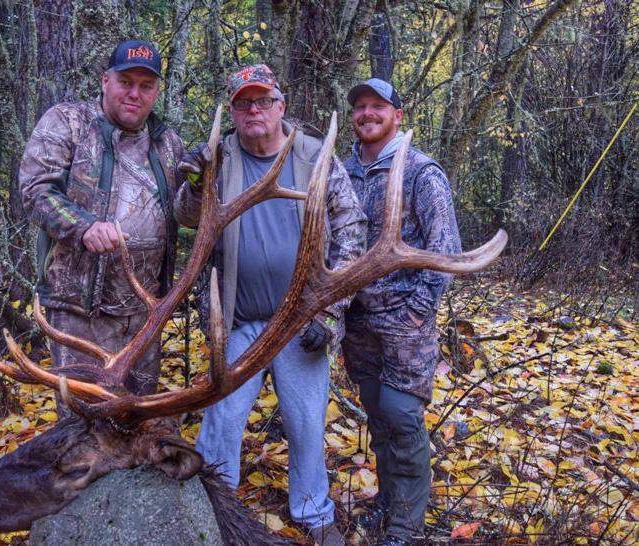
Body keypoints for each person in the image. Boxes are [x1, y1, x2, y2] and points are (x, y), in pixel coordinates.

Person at [174, 64, 366, 546]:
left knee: (305, 422)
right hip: (238, 323)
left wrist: (329, 310)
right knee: (222, 419)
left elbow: (351, 229)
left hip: (302, 322)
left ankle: (314, 512)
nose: (253, 110)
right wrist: (196, 184)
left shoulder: (314, 155)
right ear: (234, 112)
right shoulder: (218, 158)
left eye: (263, 101)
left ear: (281, 105)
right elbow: (185, 218)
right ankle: (213, 507)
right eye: (243, 103)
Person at [19, 40, 184, 400]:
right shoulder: (68, 123)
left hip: (144, 314)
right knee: (85, 423)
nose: (134, 94)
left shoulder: (168, 144)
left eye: (146, 85)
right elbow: (36, 191)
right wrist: (84, 227)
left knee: (136, 416)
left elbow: (188, 210)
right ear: (105, 80)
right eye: (126, 82)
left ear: (156, 91)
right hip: (79, 312)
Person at [341, 78, 462, 546]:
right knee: (377, 414)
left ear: (398, 114)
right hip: (357, 322)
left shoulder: (421, 172)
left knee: (401, 415)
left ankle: (406, 526)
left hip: (404, 321)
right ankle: (388, 504)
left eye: (378, 106)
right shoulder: (342, 171)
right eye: (360, 107)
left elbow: (445, 252)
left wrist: (415, 313)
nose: (367, 113)